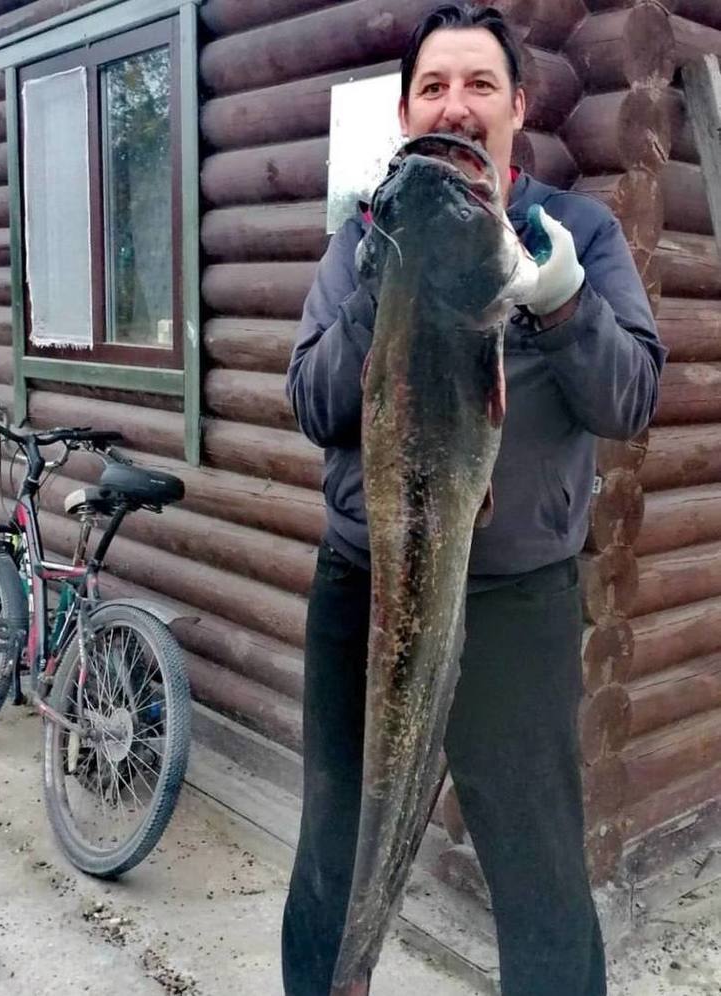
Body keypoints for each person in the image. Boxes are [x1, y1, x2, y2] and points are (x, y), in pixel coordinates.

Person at [282, 4, 667, 995]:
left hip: (517, 601)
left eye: (478, 85)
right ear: (407, 111)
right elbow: (313, 404)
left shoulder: (573, 231)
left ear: (519, 106)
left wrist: (562, 301)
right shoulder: (364, 232)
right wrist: (378, 284)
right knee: (335, 842)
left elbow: (627, 399)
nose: (455, 104)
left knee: (538, 870)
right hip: (364, 586)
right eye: (432, 87)